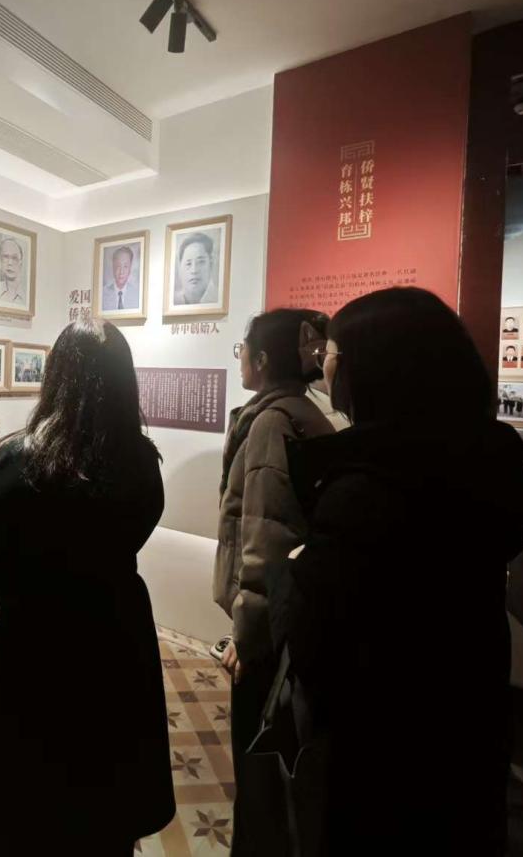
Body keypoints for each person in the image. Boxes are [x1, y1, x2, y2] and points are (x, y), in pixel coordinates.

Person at [267, 287, 523, 854]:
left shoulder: (368, 484)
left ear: (373, 369)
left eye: (333, 353)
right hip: (470, 717)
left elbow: (317, 642)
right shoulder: (488, 459)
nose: (324, 364)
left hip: (381, 743)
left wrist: (296, 571)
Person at [0, 319, 174, 854]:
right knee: (104, 789)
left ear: (58, 374)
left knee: (20, 793)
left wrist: (30, 598)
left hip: (32, 634)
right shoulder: (141, 458)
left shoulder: (20, 456)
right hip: (113, 630)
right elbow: (137, 529)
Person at [215, 308, 337, 855]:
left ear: (261, 359)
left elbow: (266, 538)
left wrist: (247, 633)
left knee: (260, 761)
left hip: (271, 631)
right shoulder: (303, 412)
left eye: (242, 349)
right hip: (296, 618)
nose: (239, 358)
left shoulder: (271, 422)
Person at [174, 232, 218, 305]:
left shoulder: (218, 298)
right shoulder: (175, 300)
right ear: (180, 267)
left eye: (201, 262)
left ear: (211, 264)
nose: (194, 270)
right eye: (188, 264)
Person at [102, 245, 139, 312]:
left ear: (130, 268)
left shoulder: (137, 294)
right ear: (113, 267)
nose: (121, 272)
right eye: (118, 266)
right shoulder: (103, 293)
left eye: (125, 266)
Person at [0, 237, 26, 304]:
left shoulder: (26, 294)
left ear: (21, 263)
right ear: (0, 260)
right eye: (6, 257)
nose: (10, 263)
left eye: (14, 258)